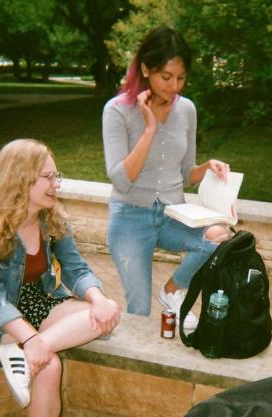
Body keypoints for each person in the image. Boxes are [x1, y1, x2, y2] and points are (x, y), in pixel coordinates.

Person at [0, 139, 120, 417]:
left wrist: (97, 298)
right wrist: (27, 337)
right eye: (48, 177)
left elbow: (75, 268)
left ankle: (28, 353)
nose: (56, 184)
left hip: (39, 299)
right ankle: (29, 350)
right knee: (49, 366)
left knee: (106, 309)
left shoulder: (51, 218)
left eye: (56, 176)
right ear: (19, 178)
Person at [102, 26, 230, 327]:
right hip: (130, 217)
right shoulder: (117, 111)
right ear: (146, 69)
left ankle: (172, 290)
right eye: (166, 77)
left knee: (219, 238)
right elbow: (121, 179)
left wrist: (208, 167)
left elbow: (186, 173)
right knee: (138, 312)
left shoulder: (187, 110)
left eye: (181, 77)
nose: (175, 86)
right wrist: (149, 128)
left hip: (174, 213)